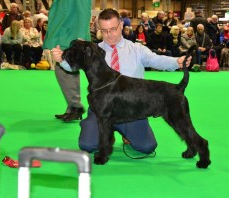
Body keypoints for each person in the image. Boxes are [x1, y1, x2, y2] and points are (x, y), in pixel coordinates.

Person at [52, 8, 191, 155]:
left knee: (147, 147)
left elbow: (156, 60)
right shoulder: (92, 51)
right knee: (87, 144)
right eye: (104, 31)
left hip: (132, 108)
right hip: (102, 109)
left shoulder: (137, 49)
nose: (109, 34)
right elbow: (74, 66)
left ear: (121, 25)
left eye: (113, 29)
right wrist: (62, 59)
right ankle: (106, 133)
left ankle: (127, 133)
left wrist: (177, 61)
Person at [43, 0, 91, 121]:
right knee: (62, 70)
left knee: (66, 70)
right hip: (62, 33)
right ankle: (73, 107)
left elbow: (84, 10)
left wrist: (80, 37)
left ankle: (75, 106)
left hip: (70, 34)